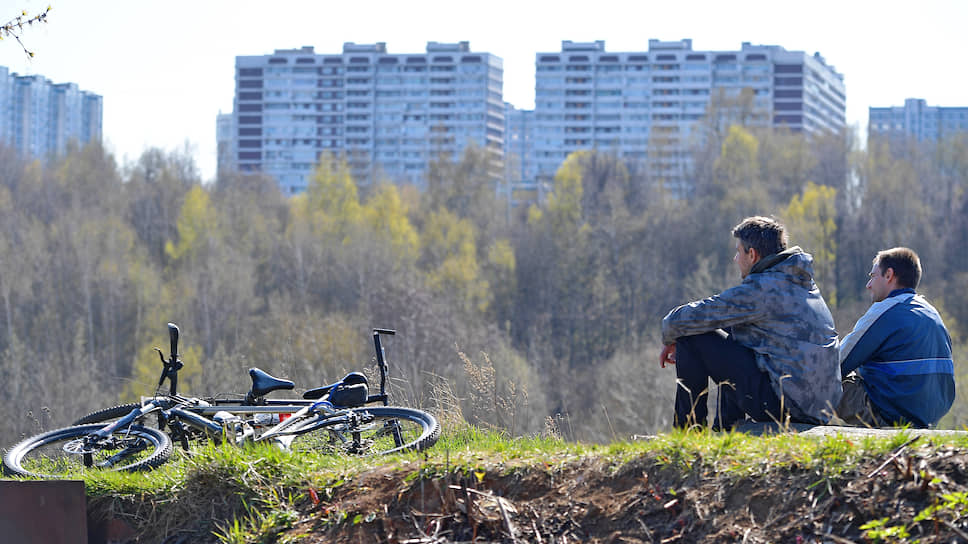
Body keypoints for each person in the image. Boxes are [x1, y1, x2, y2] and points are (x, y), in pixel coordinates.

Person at [659, 216, 840, 429]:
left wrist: (671, 337)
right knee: (737, 336)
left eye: (738, 252)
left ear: (752, 254)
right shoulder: (801, 284)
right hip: (818, 408)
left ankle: (688, 433)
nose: (735, 259)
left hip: (789, 408)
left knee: (692, 337)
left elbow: (688, 319)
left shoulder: (763, 290)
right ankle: (725, 430)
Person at [835, 247, 955, 428]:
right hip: (928, 419)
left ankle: (793, 425)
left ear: (889, 275)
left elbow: (836, 363)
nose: (868, 284)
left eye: (873, 276)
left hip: (892, 417)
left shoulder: (886, 310)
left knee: (822, 377)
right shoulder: (932, 313)